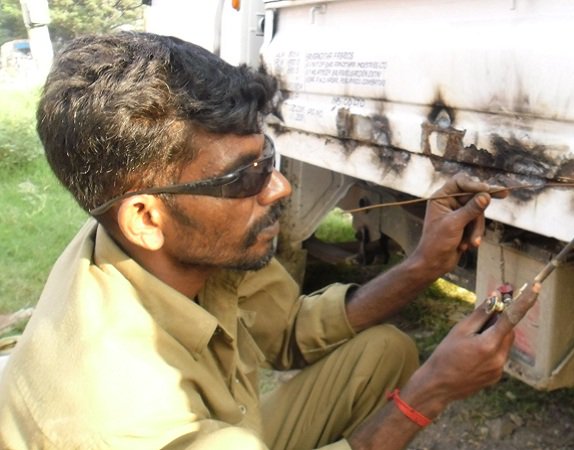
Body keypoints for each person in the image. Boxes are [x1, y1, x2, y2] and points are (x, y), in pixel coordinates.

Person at [0, 32, 539, 449]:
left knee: (385, 353)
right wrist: (431, 393)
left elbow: (291, 332)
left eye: (268, 160)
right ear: (145, 217)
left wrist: (423, 264)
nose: (279, 187)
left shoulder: (163, 241)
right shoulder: (125, 413)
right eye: (243, 177)